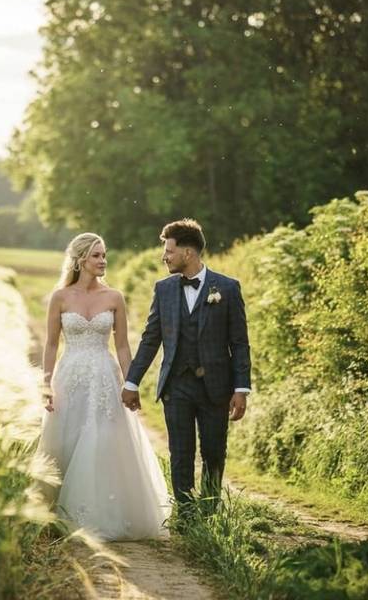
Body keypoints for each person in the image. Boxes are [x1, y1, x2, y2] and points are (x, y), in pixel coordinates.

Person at [36, 233, 170, 540]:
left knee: (103, 439)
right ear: (81, 259)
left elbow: (122, 346)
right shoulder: (60, 297)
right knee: (66, 439)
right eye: (97, 255)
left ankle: (104, 514)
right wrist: (46, 384)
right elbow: (51, 344)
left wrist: (131, 383)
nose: (103, 261)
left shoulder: (114, 297)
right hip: (69, 376)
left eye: (104, 255)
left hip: (104, 378)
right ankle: (59, 514)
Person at [122, 219, 251, 509]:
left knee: (214, 451)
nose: (164, 256)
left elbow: (239, 343)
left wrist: (241, 388)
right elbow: (150, 339)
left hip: (216, 387)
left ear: (188, 253)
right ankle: (185, 511)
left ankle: (208, 511)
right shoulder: (163, 289)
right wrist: (131, 381)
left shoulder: (228, 289)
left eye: (169, 250)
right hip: (176, 385)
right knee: (180, 452)